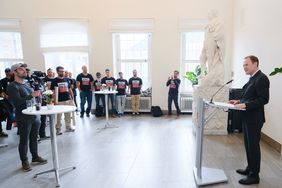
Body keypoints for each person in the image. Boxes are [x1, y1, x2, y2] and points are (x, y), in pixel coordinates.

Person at [229, 55, 270, 185]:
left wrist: (245, 105)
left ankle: (254, 175)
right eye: (243, 65)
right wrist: (239, 101)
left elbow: (264, 99)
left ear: (255, 64)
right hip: (247, 117)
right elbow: (249, 96)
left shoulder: (262, 78)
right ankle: (249, 168)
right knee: (248, 145)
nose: (244, 67)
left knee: (253, 147)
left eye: (246, 65)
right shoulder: (252, 78)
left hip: (254, 119)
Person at [7, 63, 47, 172]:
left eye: (25, 69)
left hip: (34, 115)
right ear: (14, 72)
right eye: (21, 69)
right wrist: (31, 95)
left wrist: (38, 96)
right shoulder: (12, 86)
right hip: (23, 117)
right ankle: (24, 161)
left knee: (34, 138)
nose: (24, 70)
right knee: (24, 140)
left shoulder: (26, 85)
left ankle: (35, 157)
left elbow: (32, 99)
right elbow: (16, 103)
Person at [199, 9, 225, 87]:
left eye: (209, 13)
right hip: (206, 41)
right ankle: (202, 73)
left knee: (210, 58)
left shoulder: (218, 22)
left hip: (212, 41)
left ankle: (211, 77)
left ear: (213, 14)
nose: (208, 15)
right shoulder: (209, 23)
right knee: (202, 57)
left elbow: (220, 34)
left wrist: (214, 37)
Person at [51, 66, 75, 135]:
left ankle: (68, 127)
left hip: (67, 99)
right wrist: (54, 101)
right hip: (59, 101)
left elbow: (69, 88)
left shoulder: (67, 79)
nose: (62, 72)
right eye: (61, 71)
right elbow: (53, 91)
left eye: (63, 71)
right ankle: (58, 129)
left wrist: (72, 97)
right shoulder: (55, 80)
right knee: (59, 116)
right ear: (57, 72)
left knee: (68, 114)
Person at [0, 68, 15, 137]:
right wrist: (6, 96)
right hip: (7, 99)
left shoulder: (14, 79)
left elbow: (1, 92)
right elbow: (2, 92)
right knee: (9, 112)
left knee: (11, 112)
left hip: (14, 97)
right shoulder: (2, 80)